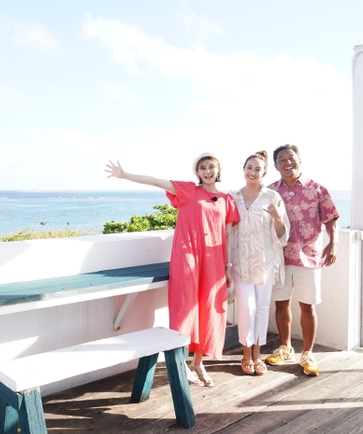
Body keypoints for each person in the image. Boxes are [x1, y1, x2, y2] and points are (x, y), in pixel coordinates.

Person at [105, 154, 240, 386]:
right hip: (187, 257)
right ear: (197, 173)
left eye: (211, 167)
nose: (207, 171)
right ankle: (181, 363)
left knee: (209, 310)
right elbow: (157, 181)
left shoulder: (227, 200)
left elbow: (228, 235)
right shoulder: (188, 191)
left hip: (215, 260)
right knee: (184, 307)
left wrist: (228, 267)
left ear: (219, 171)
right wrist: (125, 175)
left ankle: (199, 363)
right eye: (202, 168)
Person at [264, 144, 339, 376]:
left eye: (291, 158)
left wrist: (333, 242)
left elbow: (330, 217)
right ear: (275, 166)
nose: (287, 162)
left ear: (299, 160)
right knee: (281, 303)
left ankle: (307, 353)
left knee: (307, 305)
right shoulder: (270, 192)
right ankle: (286, 348)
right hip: (280, 255)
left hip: (310, 255)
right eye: (282, 160)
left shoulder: (317, 189)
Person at [230, 151, 289, 376]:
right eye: (249, 167)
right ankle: (246, 354)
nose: (252, 172)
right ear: (243, 169)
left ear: (264, 172)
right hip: (240, 261)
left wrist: (277, 217)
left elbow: (283, 235)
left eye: (257, 169)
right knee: (247, 308)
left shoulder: (272, 197)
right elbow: (224, 230)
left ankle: (257, 353)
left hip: (264, 260)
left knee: (262, 308)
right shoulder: (232, 197)